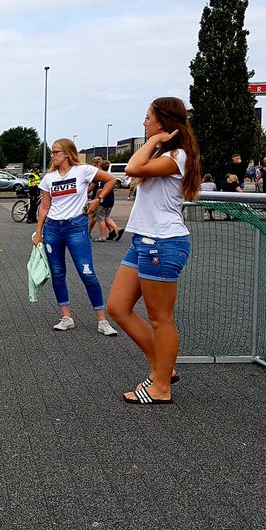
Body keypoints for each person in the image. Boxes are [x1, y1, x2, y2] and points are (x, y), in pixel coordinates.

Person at [106, 97, 202, 405]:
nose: (144, 123)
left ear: (164, 121)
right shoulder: (164, 153)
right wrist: (156, 141)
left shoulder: (177, 155)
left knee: (161, 319)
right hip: (144, 241)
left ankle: (161, 386)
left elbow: (132, 167)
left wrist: (158, 139)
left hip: (163, 242)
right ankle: (164, 368)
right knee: (117, 307)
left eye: (149, 118)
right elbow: (135, 174)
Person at [31, 138, 119, 336]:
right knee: (57, 272)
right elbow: (44, 207)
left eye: (56, 152)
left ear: (68, 153)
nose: (52, 156)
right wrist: (39, 232)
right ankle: (66, 316)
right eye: (52, 153)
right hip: (53, 228)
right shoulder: (48, 178)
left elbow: (111, 179)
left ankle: (102, 320)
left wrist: (98, 199)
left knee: (86, 272)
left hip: (76, 226)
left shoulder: (83, 171)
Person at [87, 160, 122, 242]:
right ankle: (115, 230)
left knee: (100, 218)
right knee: (106, 217)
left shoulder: (101, 178)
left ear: (100, 167)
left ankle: (103, 236)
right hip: (110, 199)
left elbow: (100, 190)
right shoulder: (109, 176)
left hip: (103, 200)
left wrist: (96, 199)